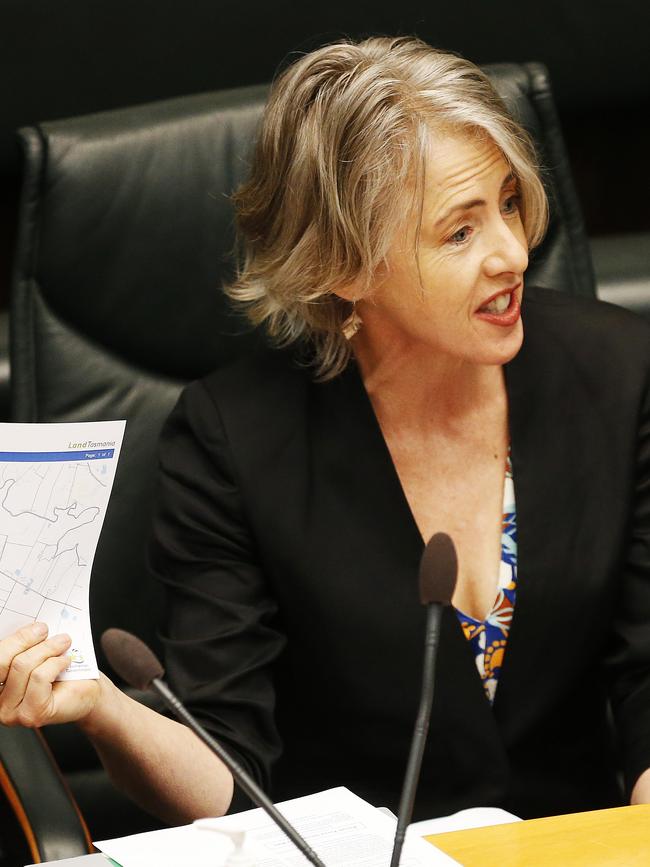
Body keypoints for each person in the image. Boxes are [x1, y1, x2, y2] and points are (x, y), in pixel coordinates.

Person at [1, 35, 650, 824]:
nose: (514, 253)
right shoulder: (230, 443)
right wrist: (100, 706)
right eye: (460, 231)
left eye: (509, 202)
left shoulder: (622, 372)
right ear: (345, 265)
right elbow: (225, 771)